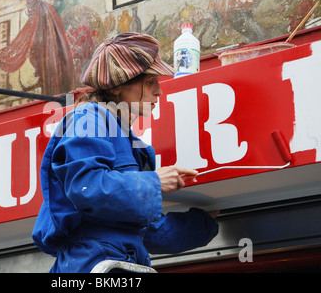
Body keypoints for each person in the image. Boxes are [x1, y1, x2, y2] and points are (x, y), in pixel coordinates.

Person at [32, 32, 219, 273]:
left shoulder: (128, 142)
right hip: (90, 263)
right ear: (119, 87)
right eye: (151, 82)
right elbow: (86, 186)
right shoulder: (87, 118)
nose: (159, 92)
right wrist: (154, 181)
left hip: (117, 263)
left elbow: (146, 231)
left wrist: (205, 224)